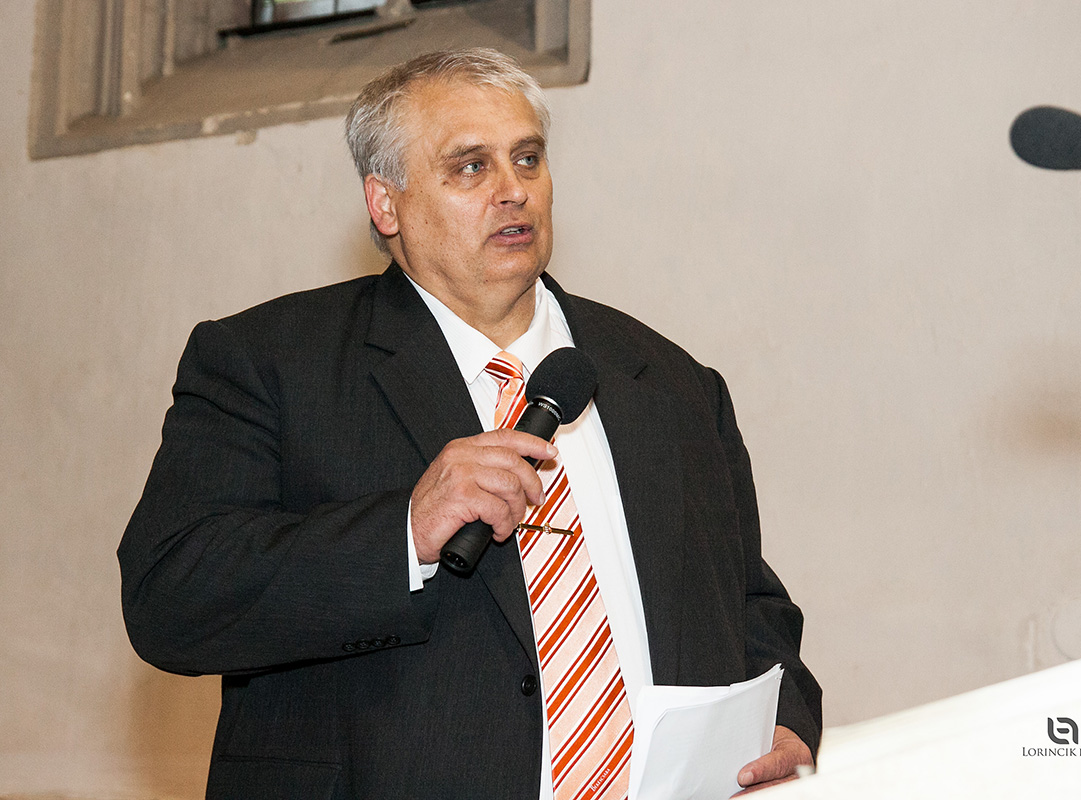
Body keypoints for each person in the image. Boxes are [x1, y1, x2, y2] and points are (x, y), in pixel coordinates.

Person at [119, 48, 821, 799]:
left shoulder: (673, 383)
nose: (513, 190)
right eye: (470, 167)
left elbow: (749, 601)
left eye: (528, 159)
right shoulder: (270, 363)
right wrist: (405, 532)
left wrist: (783, 720)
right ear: (385, 205)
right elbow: (170, 597)